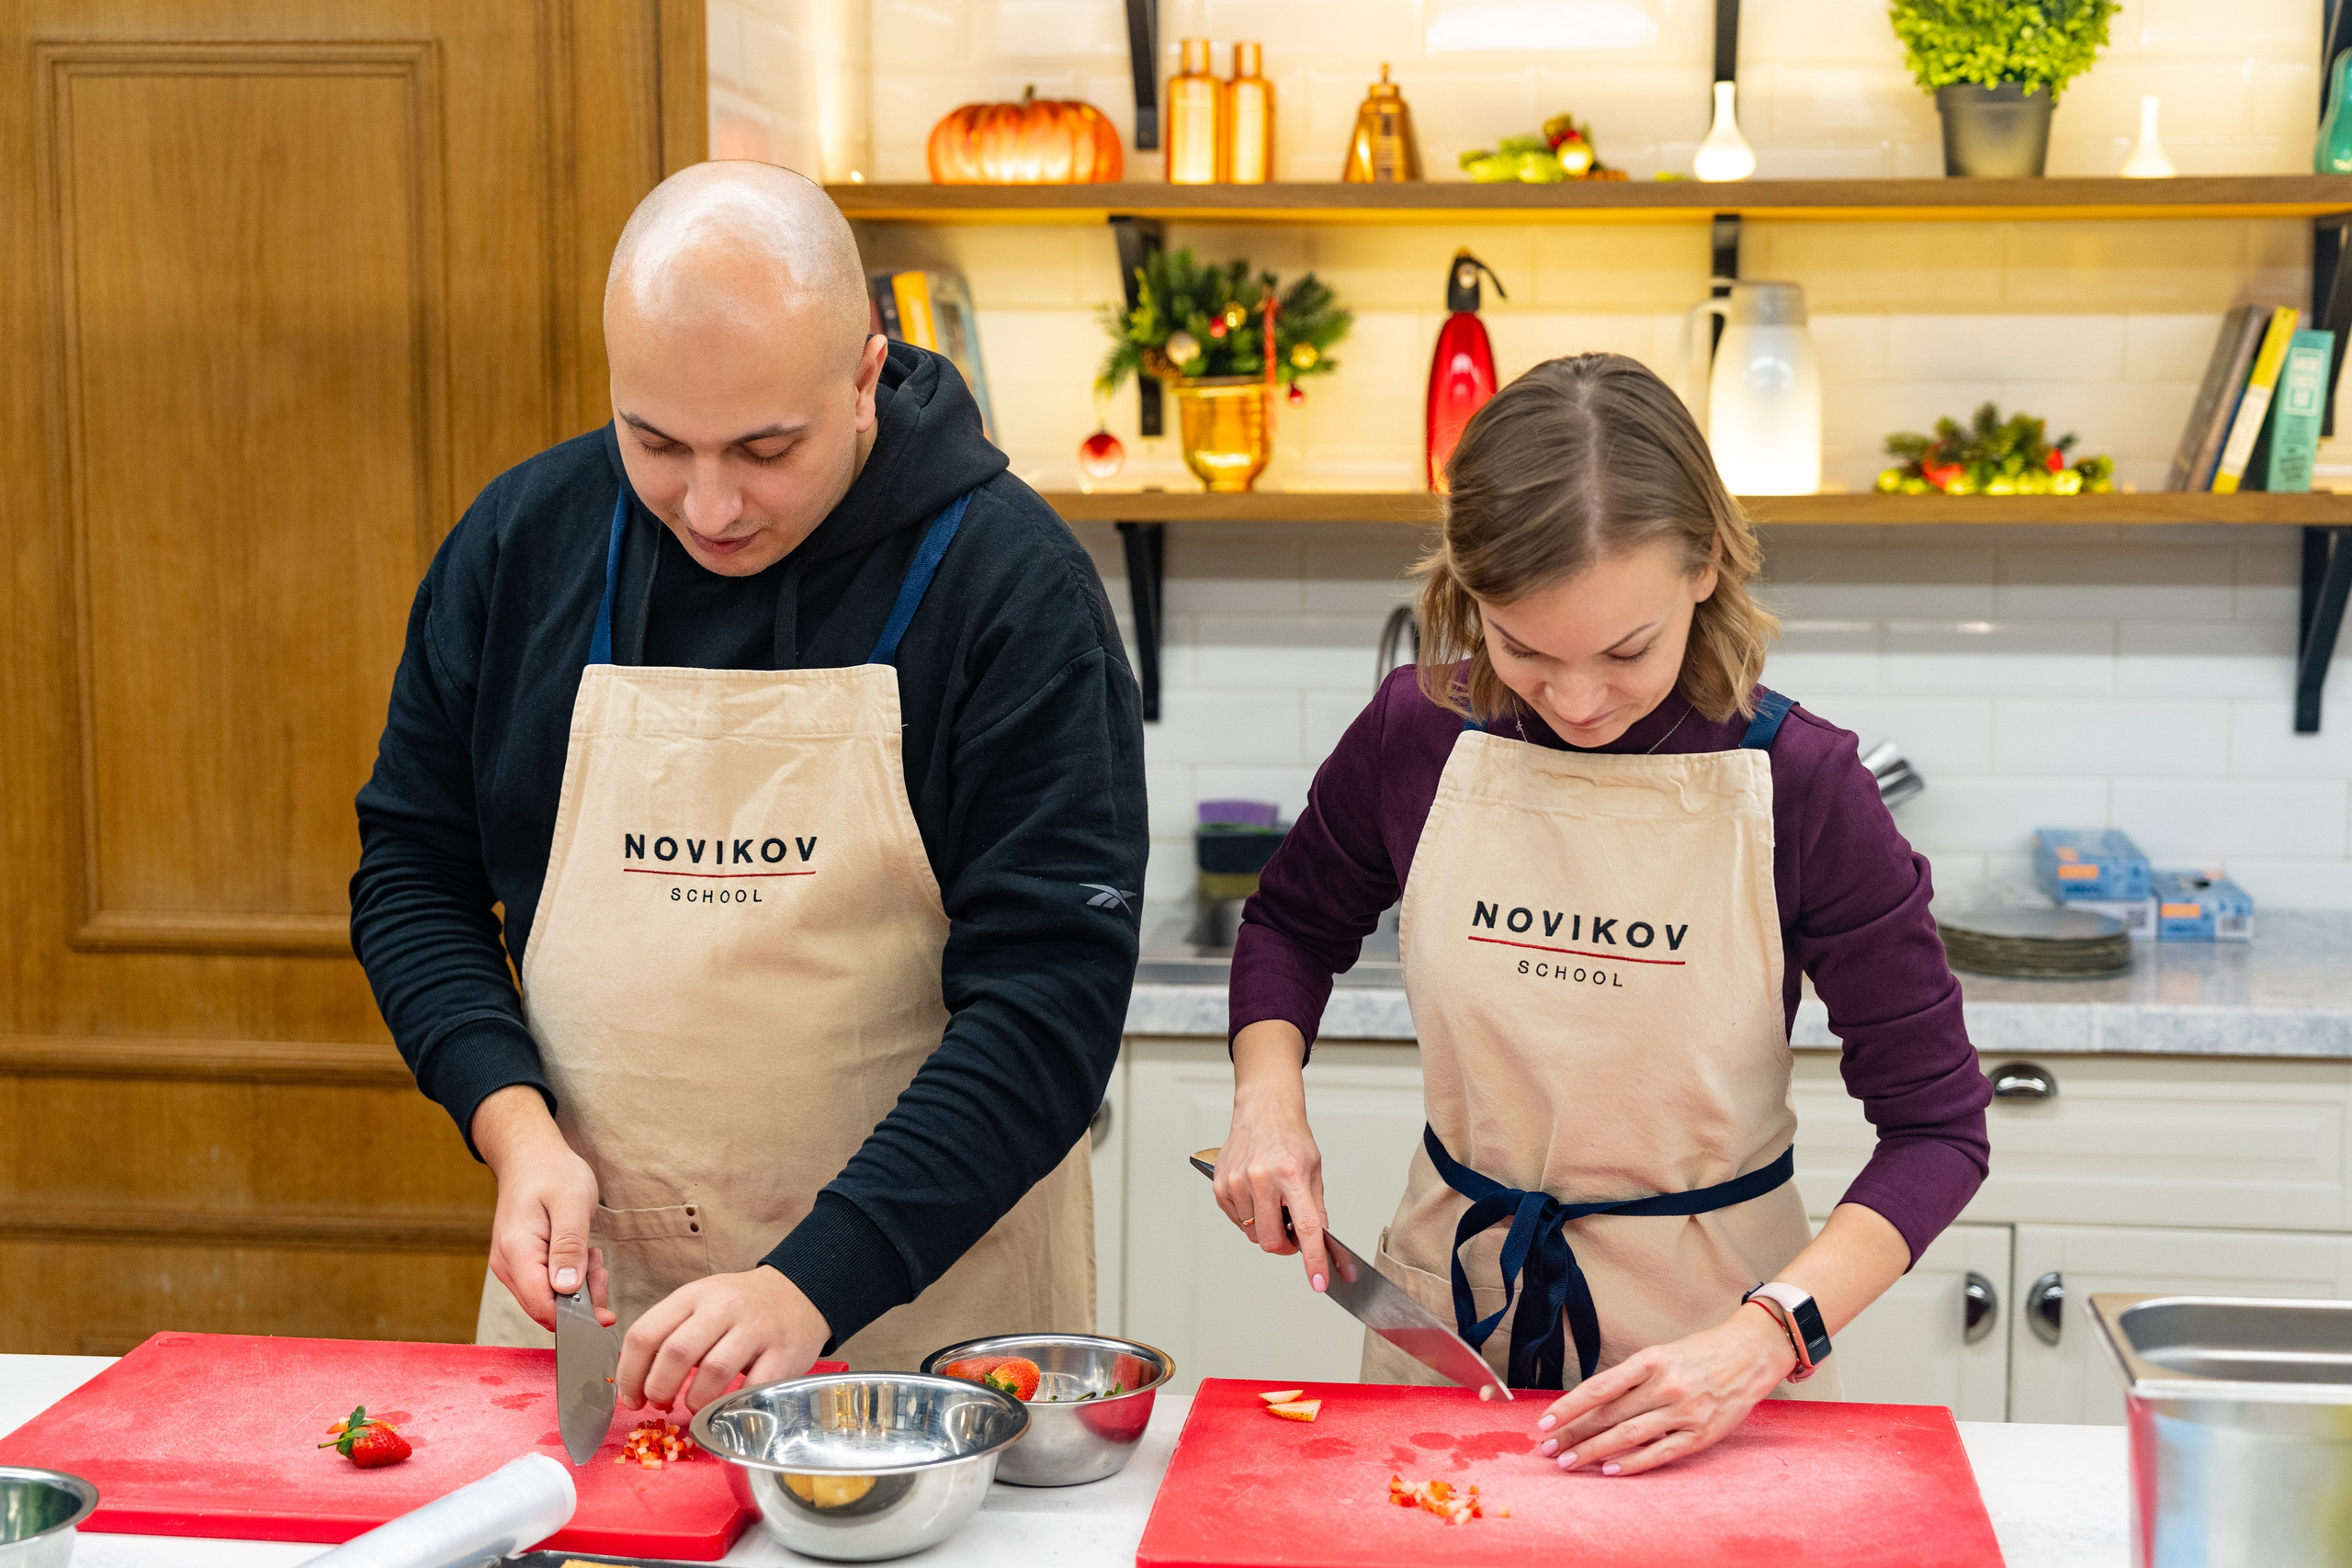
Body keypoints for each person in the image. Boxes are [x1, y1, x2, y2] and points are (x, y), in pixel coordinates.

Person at [352, 163, 1145, 1412]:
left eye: (767, 448)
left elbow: (1051, 996)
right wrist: (512, 1124)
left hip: (917, 1327)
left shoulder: (1011, 588)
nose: (709, 506)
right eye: (654, 442)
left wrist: (810, 1281)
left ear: (868, 376)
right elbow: (413, 874)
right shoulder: (522, 545)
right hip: (597, 1303)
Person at [1212, 353, 1990, 1475]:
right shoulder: (1415, 733)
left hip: (1714, 1360)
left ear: (1706, 565)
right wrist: (1265, 1094)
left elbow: (1938, 1132)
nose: (1575, 702)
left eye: (1625, 651)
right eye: (1522, 649)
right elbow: (1290, 924)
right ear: (1465, 589)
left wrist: (1764, 1341)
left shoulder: (1803, 784)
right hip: (1450, 1330)